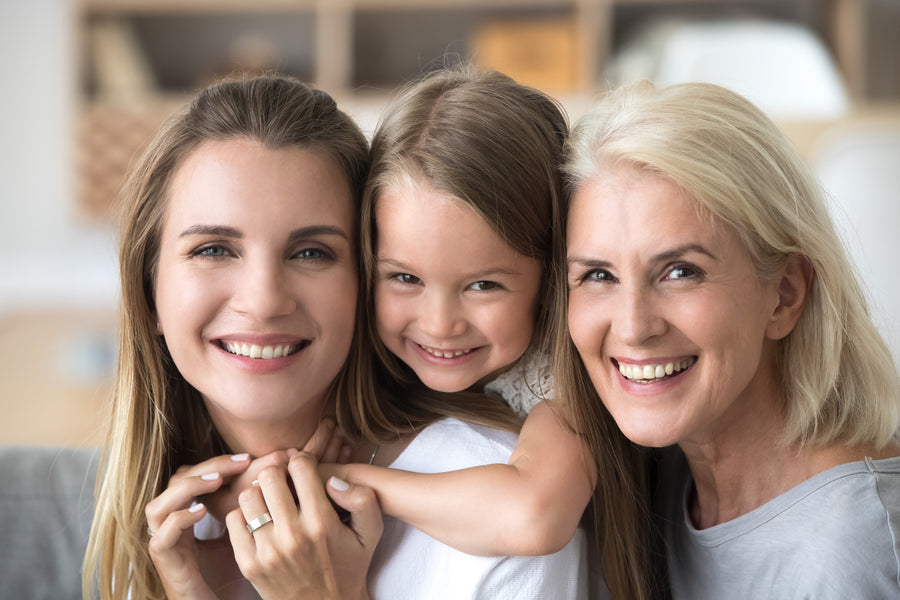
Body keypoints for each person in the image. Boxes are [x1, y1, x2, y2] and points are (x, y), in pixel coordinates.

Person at [556, 80, 900, 598]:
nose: (632, 327)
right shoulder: (661, 479)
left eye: (680, 272)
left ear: (784, 295)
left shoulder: (849, 551)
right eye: (599, 276)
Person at [82, 73, 382, 599]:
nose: (264, 300)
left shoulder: (476, 510)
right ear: (148, 291)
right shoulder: (176, 536)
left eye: (311, 252)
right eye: (214, 249)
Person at [327, 66, 622, 598]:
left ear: (550, 277)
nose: (440, 324)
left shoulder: (565, 383)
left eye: (484, 285)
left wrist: (348, 478)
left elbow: (533, 516)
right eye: (405, 278)